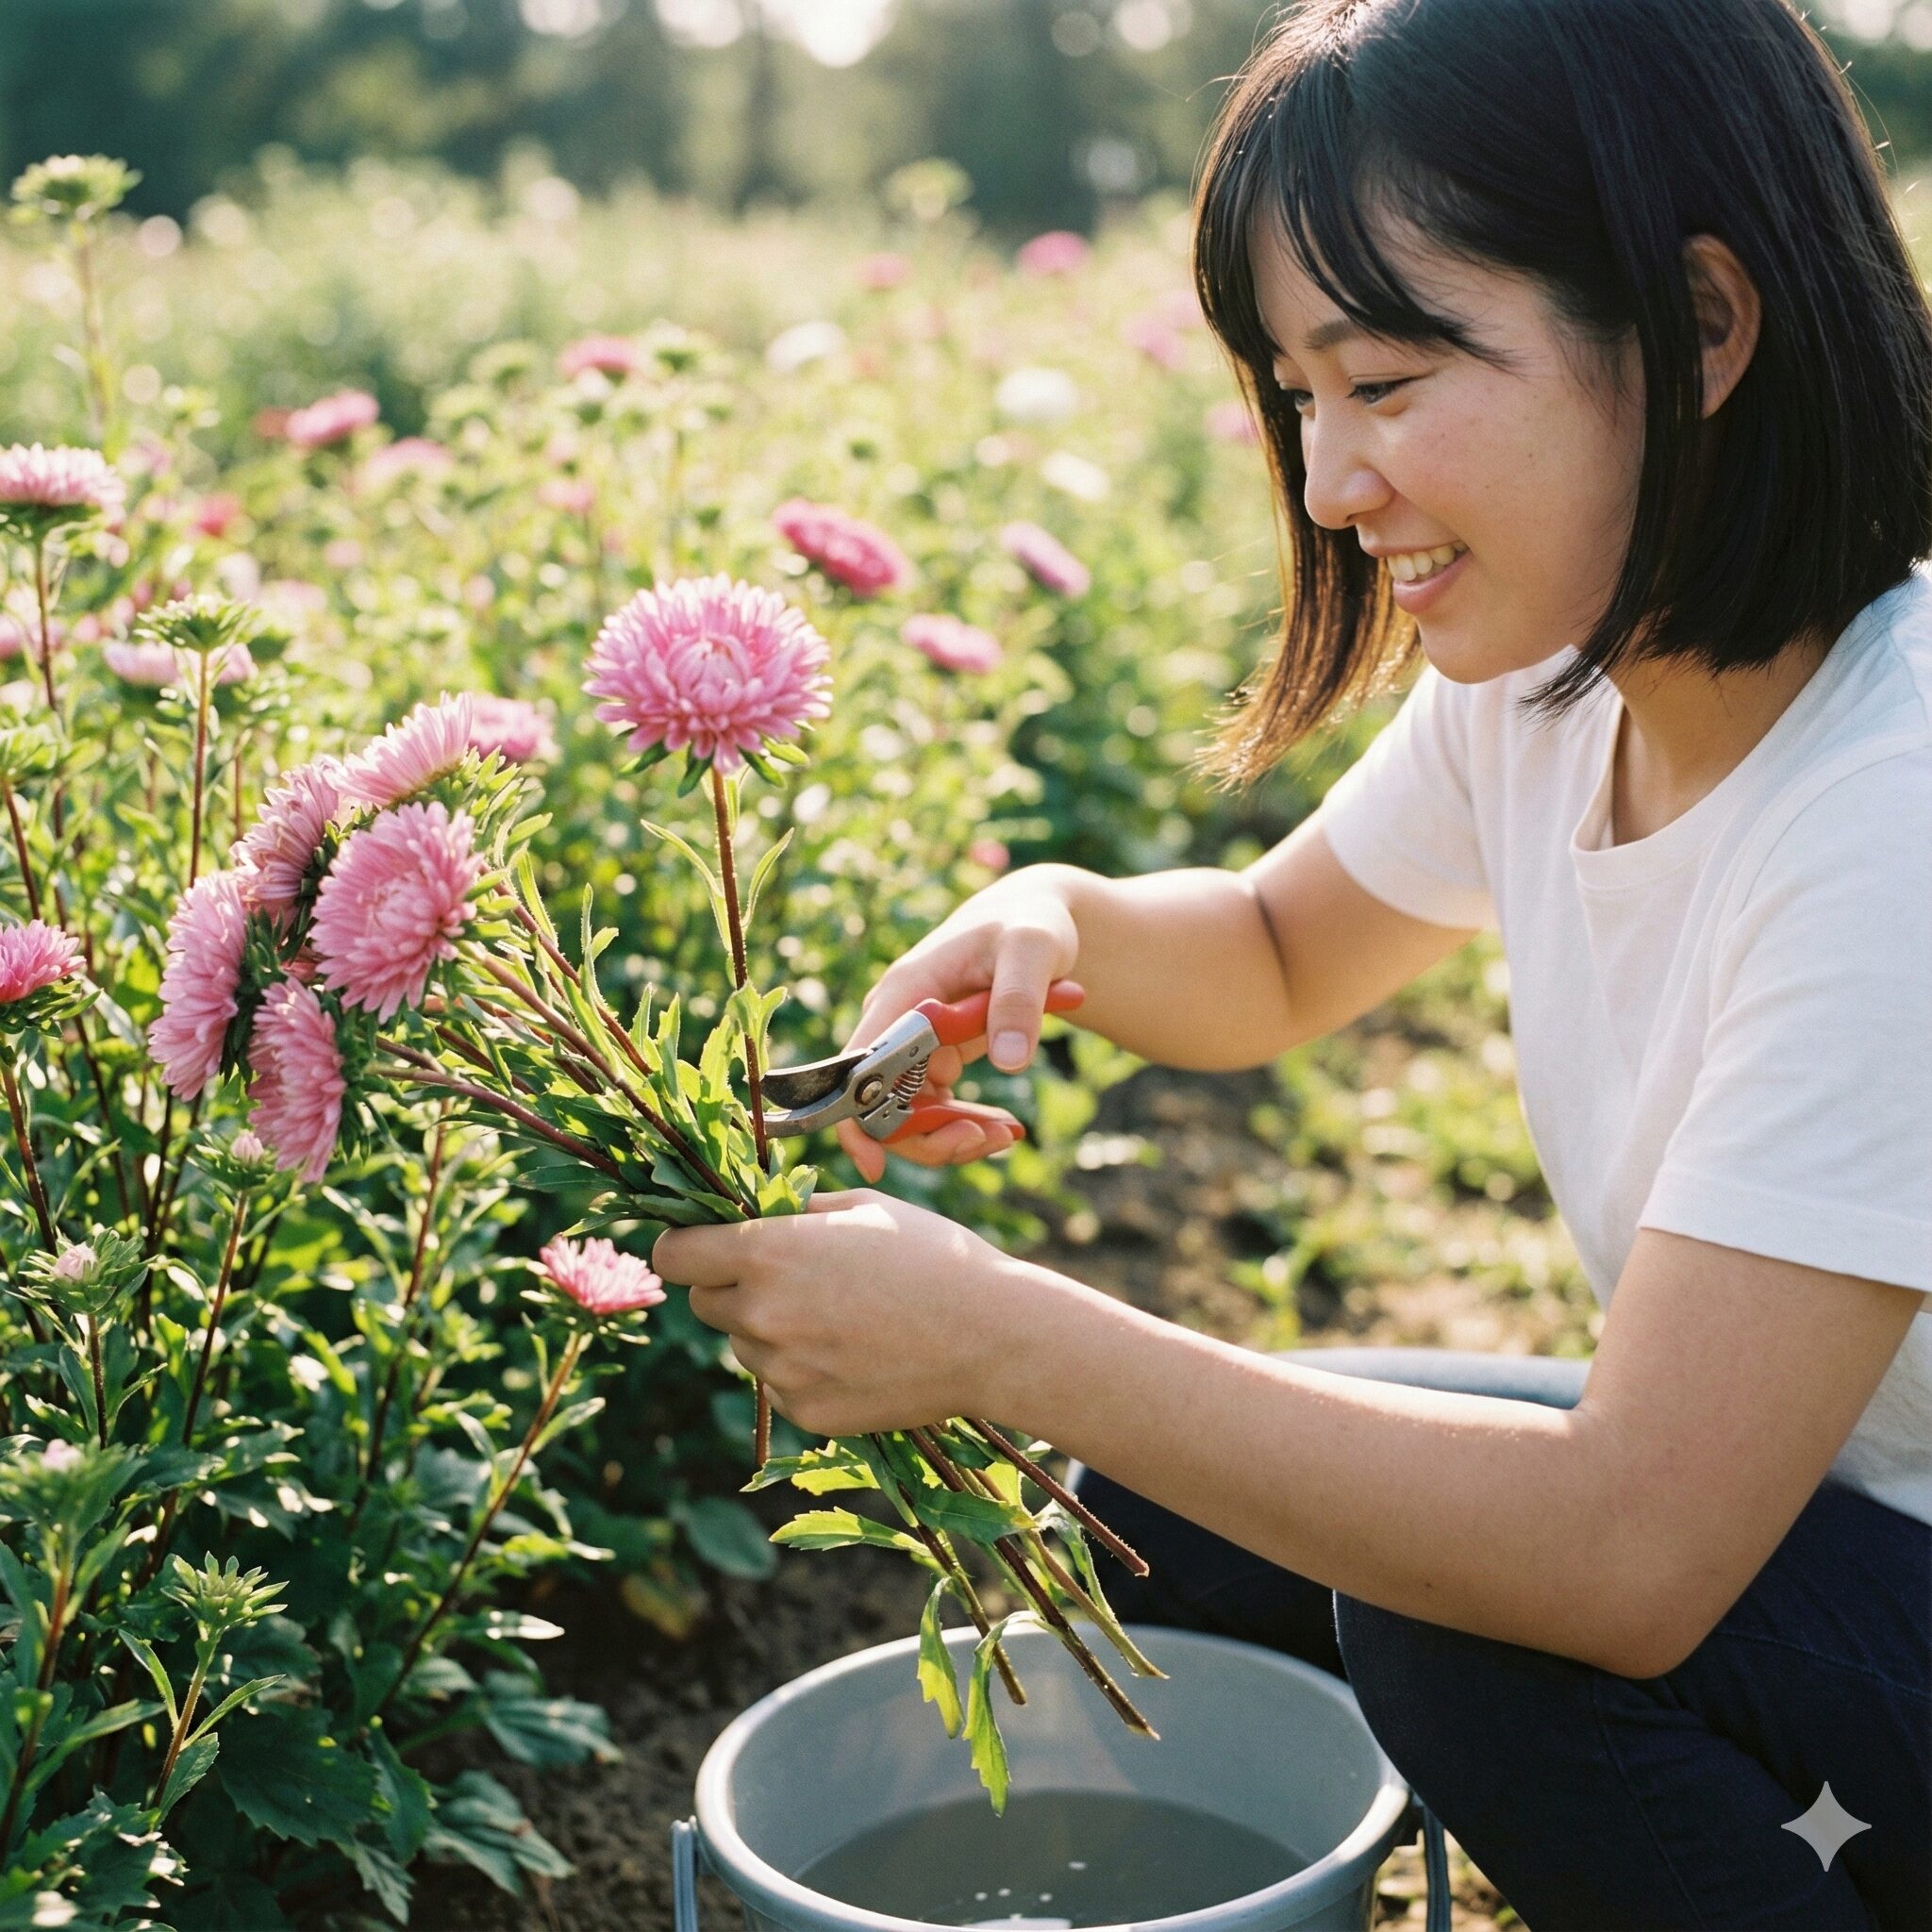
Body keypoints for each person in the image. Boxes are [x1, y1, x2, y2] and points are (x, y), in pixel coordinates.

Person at [651, 0, 1932, 1923]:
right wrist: (1058, 921)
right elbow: (1269, 951)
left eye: (1389, 382)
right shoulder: (1566, 676)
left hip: (1816, 1557)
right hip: (1821, 1540)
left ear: (1701, 328)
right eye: (1296, 393)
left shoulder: (1890, 807)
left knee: (1482, 1635)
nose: (1330, 482)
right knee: (1171, 1503)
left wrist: (1003, 1335)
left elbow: (1627, 1553)